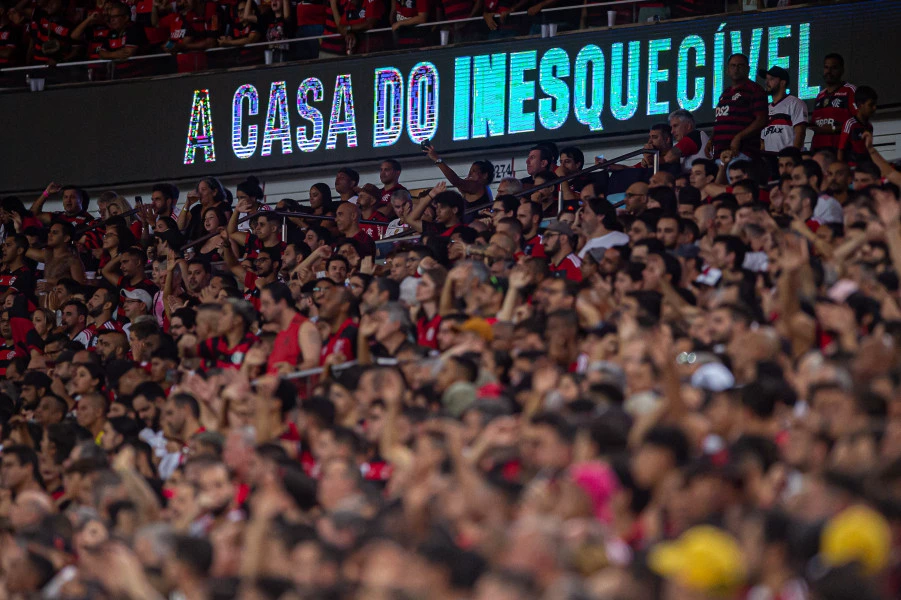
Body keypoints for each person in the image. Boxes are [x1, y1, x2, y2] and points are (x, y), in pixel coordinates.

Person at [710, 53, 767, 159]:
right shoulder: (725, 93)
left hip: (742, 153)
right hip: (720, 153)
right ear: (727, 70)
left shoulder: (755, 90)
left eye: (740, 65)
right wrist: (711, 140)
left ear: (748, 69)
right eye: (733, 65)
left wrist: (739, 137)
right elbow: (720, 120)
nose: (736, 69)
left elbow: (761, 120)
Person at [260, 282, 321, 374]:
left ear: (282, 303)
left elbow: (313, 363)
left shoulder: (305, 327)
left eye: (266, 304)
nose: (261, 309)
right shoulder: (281, 332)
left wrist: (294, 369)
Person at [810, 53, 858, 152]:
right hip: (818, 151)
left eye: (834, 68)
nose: (829, 71)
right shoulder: (820, 96)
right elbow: (815, 125)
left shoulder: (850, 90)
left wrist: (832, 129)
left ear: (842, 70)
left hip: (840, 151)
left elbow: (858, 122)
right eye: (826, 67)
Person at [759, 66, 808, 152]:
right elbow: (763, 142)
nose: (767, 82)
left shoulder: (795, 103)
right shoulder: (766, 108)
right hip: (769, 160)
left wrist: (793, 156)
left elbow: (800, 133)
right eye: (766, 79)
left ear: (782, 83)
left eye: (771, 79)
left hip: (788, 160)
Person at [838, 85, 877, 167]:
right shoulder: (850, 124)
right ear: (860, 105)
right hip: (851, 168)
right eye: (871, 105)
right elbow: (841, 149)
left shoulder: (870, 127)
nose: (874, 108)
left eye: (875, 105)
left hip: (865, 167)